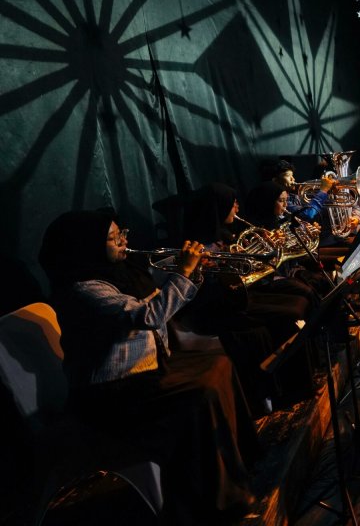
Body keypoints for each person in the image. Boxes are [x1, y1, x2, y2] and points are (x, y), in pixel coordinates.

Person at [39, 210, 258, 522]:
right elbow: (148, 316)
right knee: (202, 392)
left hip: (145, 372)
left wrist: (193, 272)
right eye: (114, 238)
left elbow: (159, 295)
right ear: (86, 246)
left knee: (219, 365)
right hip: (111, 395)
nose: (125, 241)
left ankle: (239, 466)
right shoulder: (83, 289)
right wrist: (183, 272)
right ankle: (217, 499)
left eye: (122, 233)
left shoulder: (121, 273)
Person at [263, 159, 335, 222]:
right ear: (275, 181)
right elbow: (308, 214)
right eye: (288, 176)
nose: (293, 179)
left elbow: (316, 212)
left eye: (292, 175)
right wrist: (323, 191)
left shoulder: (294, 197)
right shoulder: (279, 202)